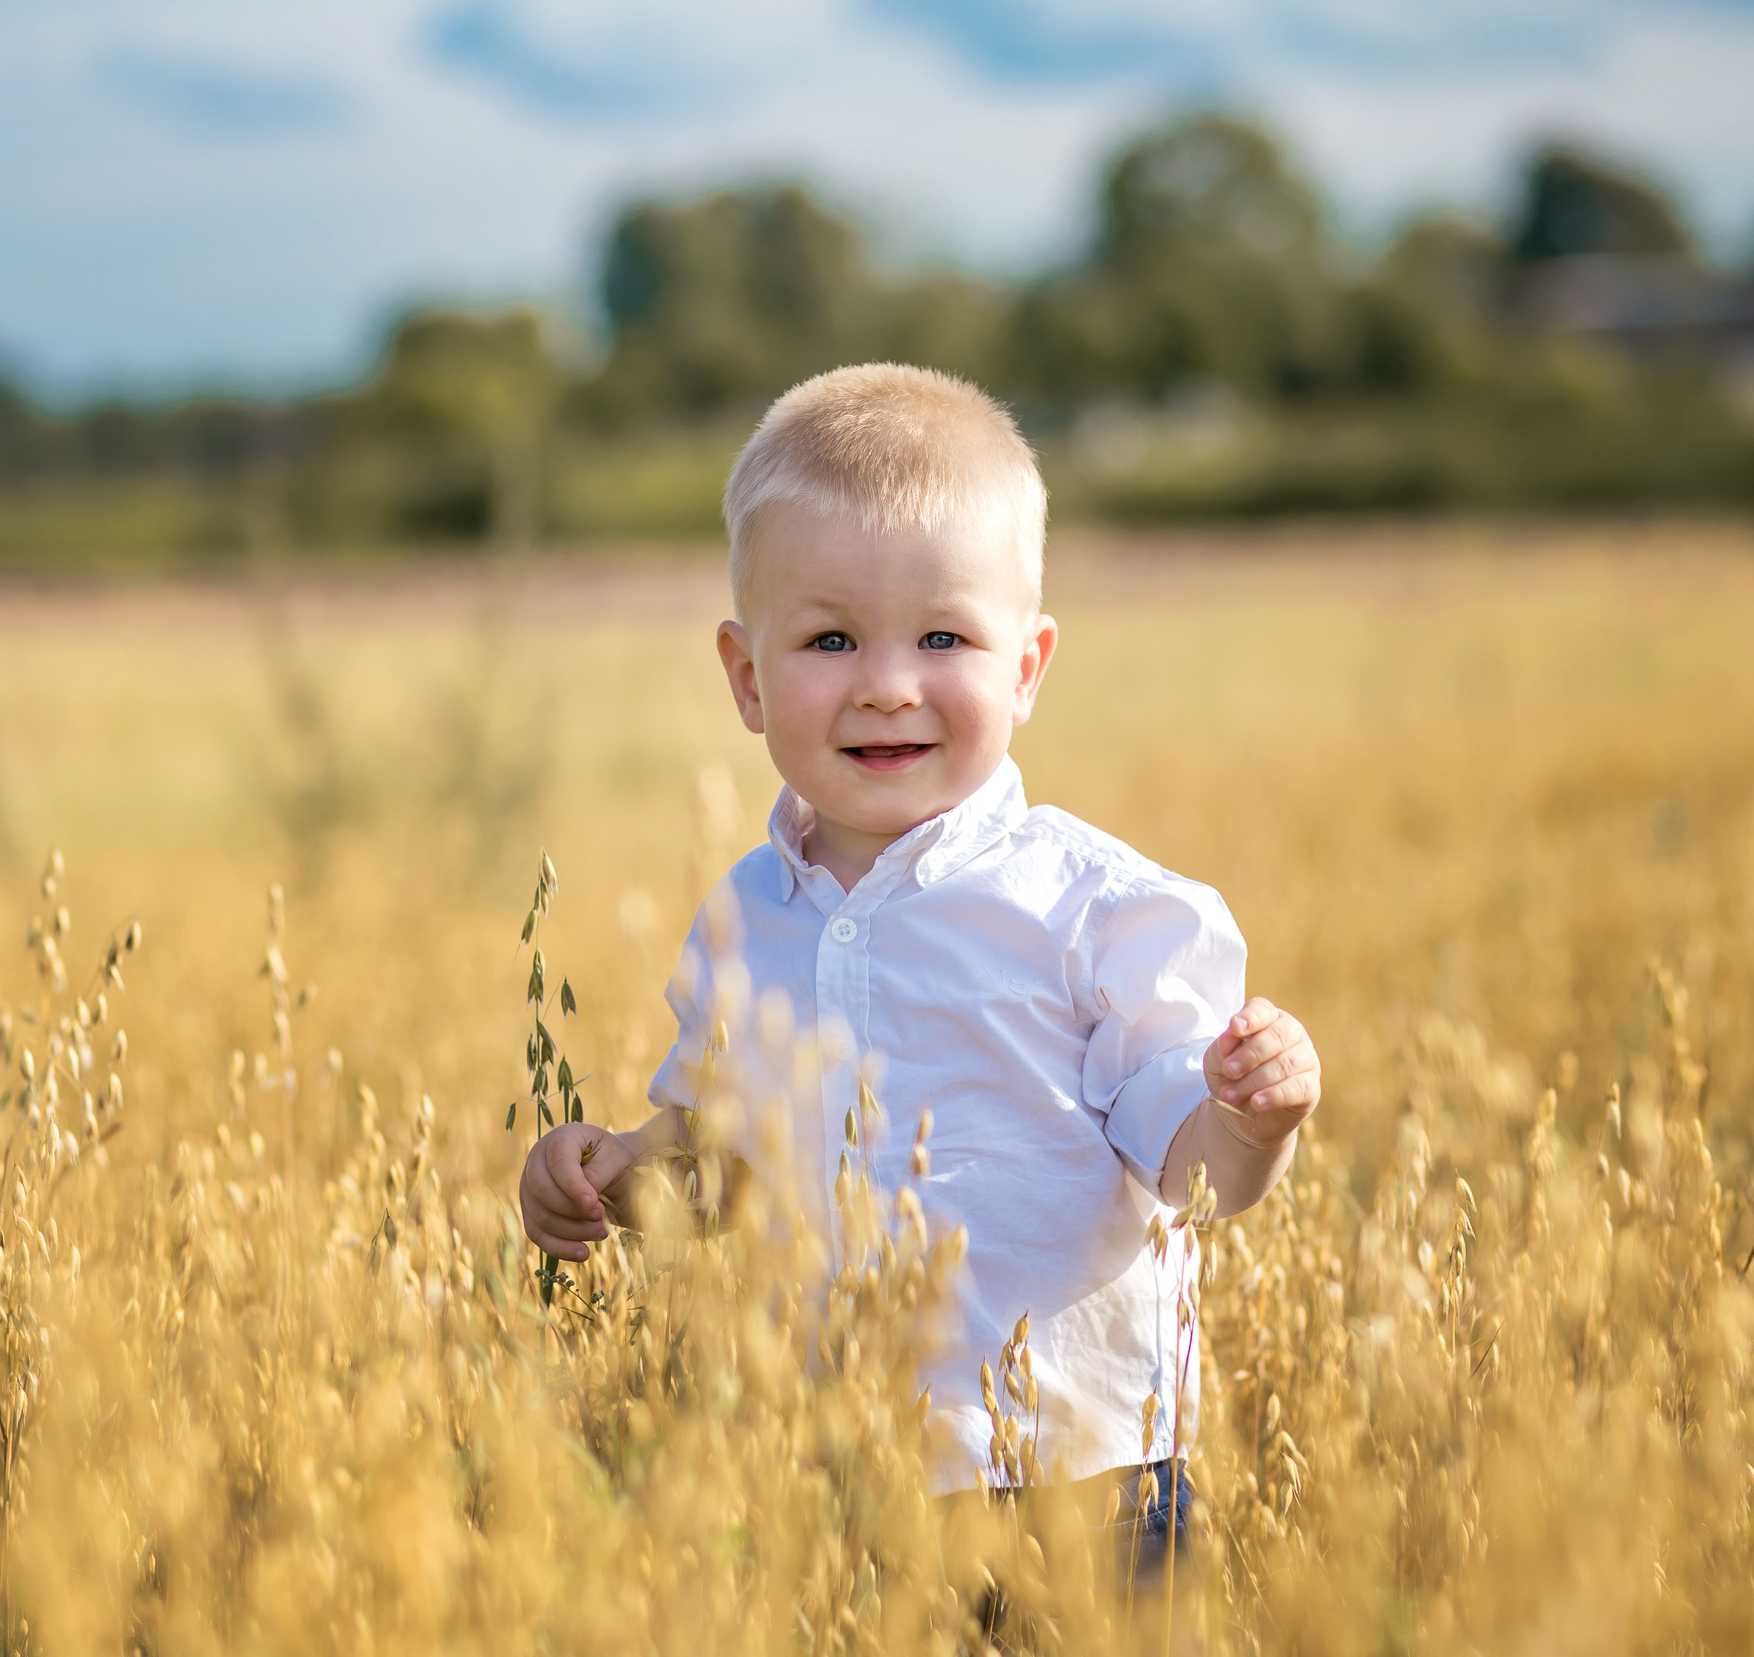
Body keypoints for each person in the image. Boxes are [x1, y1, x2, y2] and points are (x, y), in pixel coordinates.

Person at [516, 362, 1321, 1554]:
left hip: (1081, 1478)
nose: (887, 686)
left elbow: (1194, 1171)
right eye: (830, 639)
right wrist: (606, 1175)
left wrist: (1251, 1124)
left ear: (1027, 667)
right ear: (746, 677)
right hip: (832, 1477)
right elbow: (722, 1170)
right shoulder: (743, 918)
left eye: (942, 636)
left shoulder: (1094, 911)